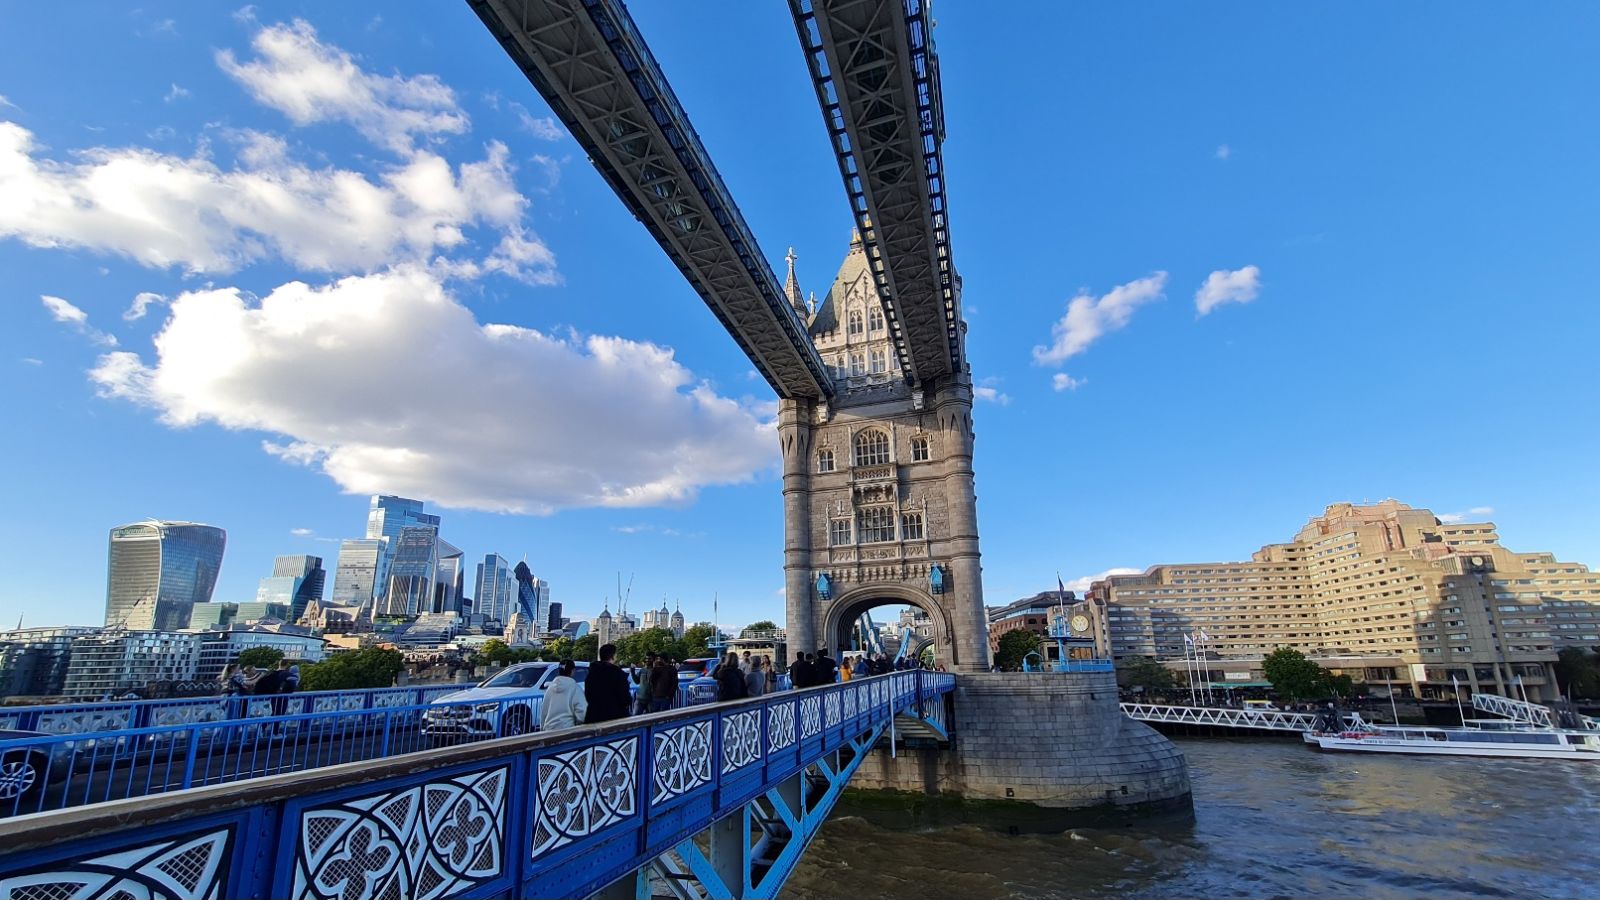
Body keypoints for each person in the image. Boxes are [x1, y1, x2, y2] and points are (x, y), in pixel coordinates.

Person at [585, 643, 632, 723]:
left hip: (593, 716)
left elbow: (588, 695)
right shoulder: (618, 674)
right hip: (614, 718)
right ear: (613, 656)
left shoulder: (592, 673)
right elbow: (625, 699)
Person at [541, 659, 588, 731]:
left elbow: (544, 712)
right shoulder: (575, 688)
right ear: (572, 671)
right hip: (567, 730)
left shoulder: (550, 689)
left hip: (548, 730)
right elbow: (582, 714)